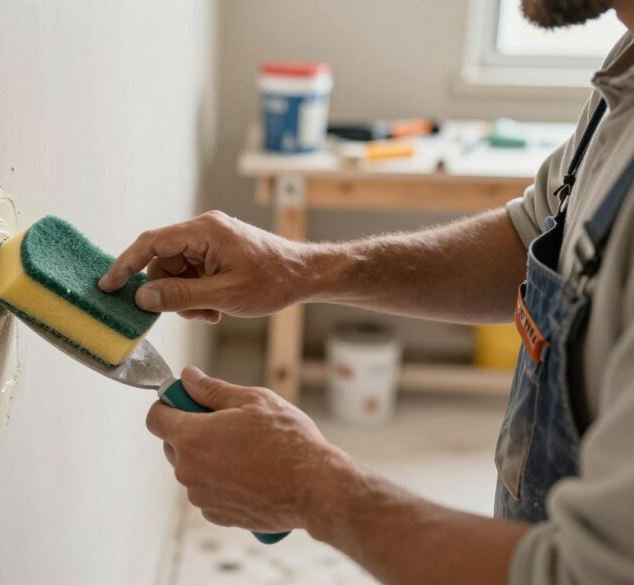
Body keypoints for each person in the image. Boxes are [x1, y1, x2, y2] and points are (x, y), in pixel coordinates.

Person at [97, 1, 634, 582]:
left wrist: (313, 487)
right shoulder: (623, 76)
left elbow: (586, 574)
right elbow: (529, 239)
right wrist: (303, 268)